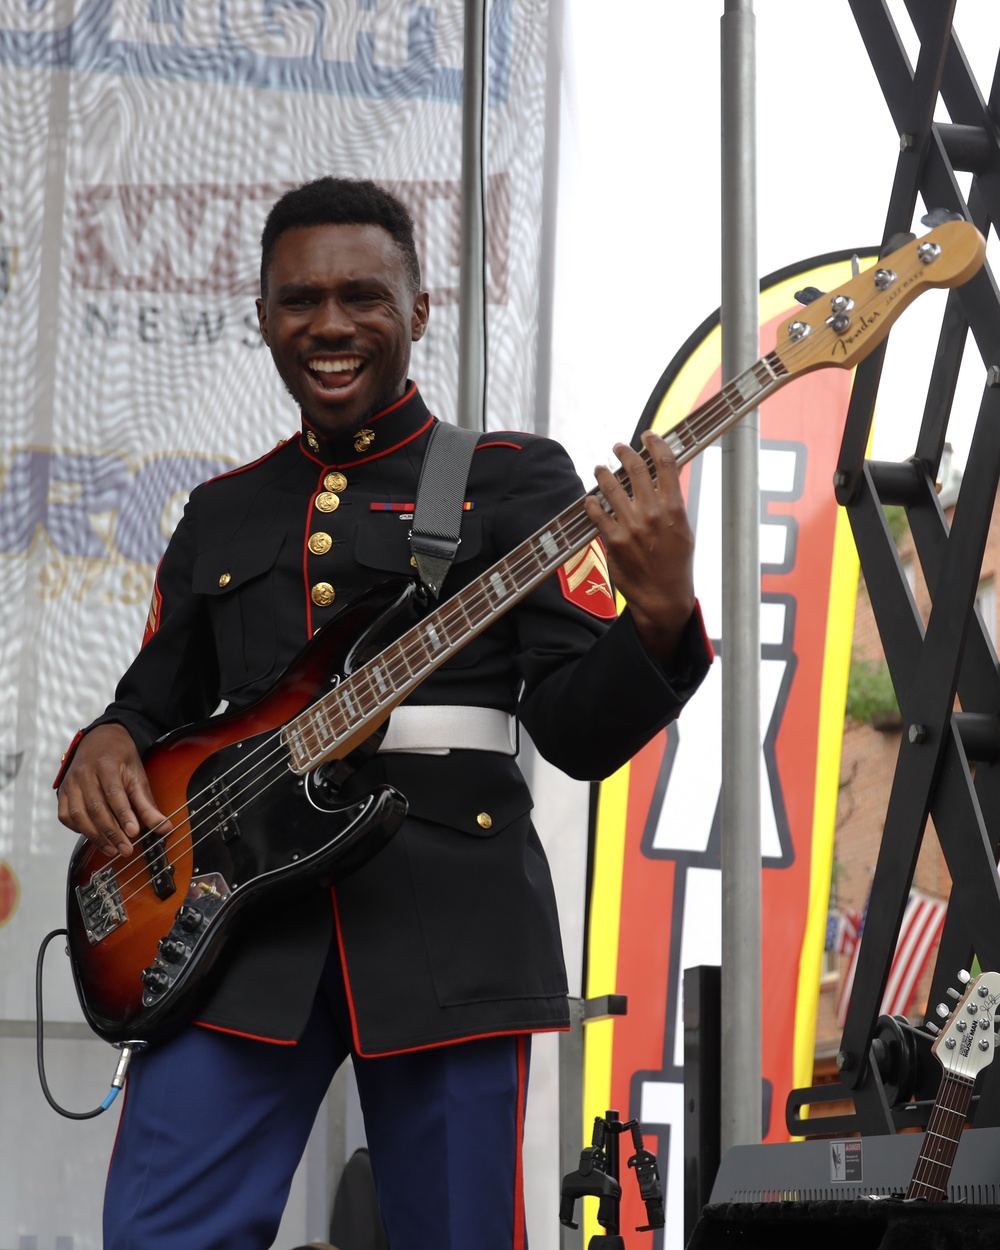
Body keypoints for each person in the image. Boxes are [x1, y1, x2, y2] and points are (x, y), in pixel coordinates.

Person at [55, 177, 712, 1250]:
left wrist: (660, 616)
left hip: (448, 915)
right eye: (298, 300)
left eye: (362, 295)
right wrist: (105, 742)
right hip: (235, 926)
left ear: (418, 307)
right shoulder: (223, 508)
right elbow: (149, 702)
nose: (329, 325)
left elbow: (577, 733)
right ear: (264, 317)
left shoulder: (512, 479)